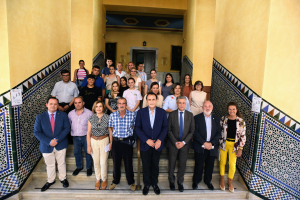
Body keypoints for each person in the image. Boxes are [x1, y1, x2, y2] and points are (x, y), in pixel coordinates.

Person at [33, 97, 70, 192]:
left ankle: (63, 178)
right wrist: (49, 141)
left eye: (55, 104)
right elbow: (37, 132)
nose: (53, 106)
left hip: (60, 143)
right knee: (50, 164)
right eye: (51, 104)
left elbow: (66, 128)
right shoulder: (40, 117)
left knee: (61, 163)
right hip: (46, 145)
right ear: (47, 105)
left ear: (57, 105)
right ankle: (50, 180)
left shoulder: (63, 115)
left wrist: (56, 139)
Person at [135, 92, 168, 195]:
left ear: (157, 100)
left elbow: (165, 127)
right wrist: (146, 140)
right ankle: (147, 184)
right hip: (146, 145)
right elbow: (137, 128)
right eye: (149, 99)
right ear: (146, 100)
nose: (151, 101)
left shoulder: (162, 112)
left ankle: (154, 184)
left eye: (153, 99)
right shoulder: (141, 112)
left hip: (157, 145)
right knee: (146, 166)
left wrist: (159, 140)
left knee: (155, 165)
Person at [167, 96, 195, 192]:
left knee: (182, 164)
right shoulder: (172, 115)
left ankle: (180, 182)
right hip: (173, 144)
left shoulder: (190, 115)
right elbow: (169, 130)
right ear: (177, 103)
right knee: (172, 163)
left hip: (184, 145)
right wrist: (175, 142)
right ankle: (171, 181)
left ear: (186, 103)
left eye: (183, 103)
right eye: (180, 103)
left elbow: (192, 131)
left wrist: (183, 142)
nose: (182, 104)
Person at [192, 100, 221, 190]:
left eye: (209, 106)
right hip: (200, 146)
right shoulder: (196, 118)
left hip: (212, 147)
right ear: (202, 107)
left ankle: (208, 181)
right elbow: (195, 132)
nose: (207, 108)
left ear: (212, 108)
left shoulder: (216, 119)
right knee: (199, 165)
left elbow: (219, 133)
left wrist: (211, 143)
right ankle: (196, 181)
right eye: (205, 106)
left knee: (210, 166)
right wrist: (204, 143)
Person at [108, 98, 136, 191]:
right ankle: (115, 180)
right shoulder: (112, 115)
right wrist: (111, 143)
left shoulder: (132, 115)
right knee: (116, 162)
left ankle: (131, 181)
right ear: (117, 104)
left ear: (126, 104)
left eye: (123, 103)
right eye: (119, 103)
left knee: (128, 163)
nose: (121, 105)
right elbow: (111, 130)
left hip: (127, 142)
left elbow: (133, 127)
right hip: (116, 142)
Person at [219, 102, 246, 193]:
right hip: (223, 144)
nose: (232, 111)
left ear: (236, 110)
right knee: (222, 162)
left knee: (232, 164)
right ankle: (222, 179)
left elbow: (243, 136)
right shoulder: (223, 119)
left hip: (234, 146)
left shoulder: (241, 121)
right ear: (228, 110)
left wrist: (240, 148)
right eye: (230, 109)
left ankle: (230, 181)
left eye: (233, 109)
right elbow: (219, 131)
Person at [87, 100, 110, 190]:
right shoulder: (91, 118)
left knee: (103, 162)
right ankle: (98, 179)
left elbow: (110, 131)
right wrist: (88, 145)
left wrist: (111, 143)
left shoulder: (108, 117)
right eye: (97, 106)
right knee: (96, 162)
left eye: (100, 106)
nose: (98, 108)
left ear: (103, 107)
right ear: (94, 108)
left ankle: (104, 179)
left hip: (104, 140)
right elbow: (88, 132)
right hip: (93, 141)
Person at [68, 97, 93, 177]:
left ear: (83, 103)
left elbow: (92, 126)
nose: (77, 104)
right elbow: (69, 124)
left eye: (79, 102)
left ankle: (89, 167)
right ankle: (79, 167)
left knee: (88, 152)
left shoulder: (89, 113)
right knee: (76, 153)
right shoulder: (70, 113)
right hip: (75, 137)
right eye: (75, 103)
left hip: (86, 136)